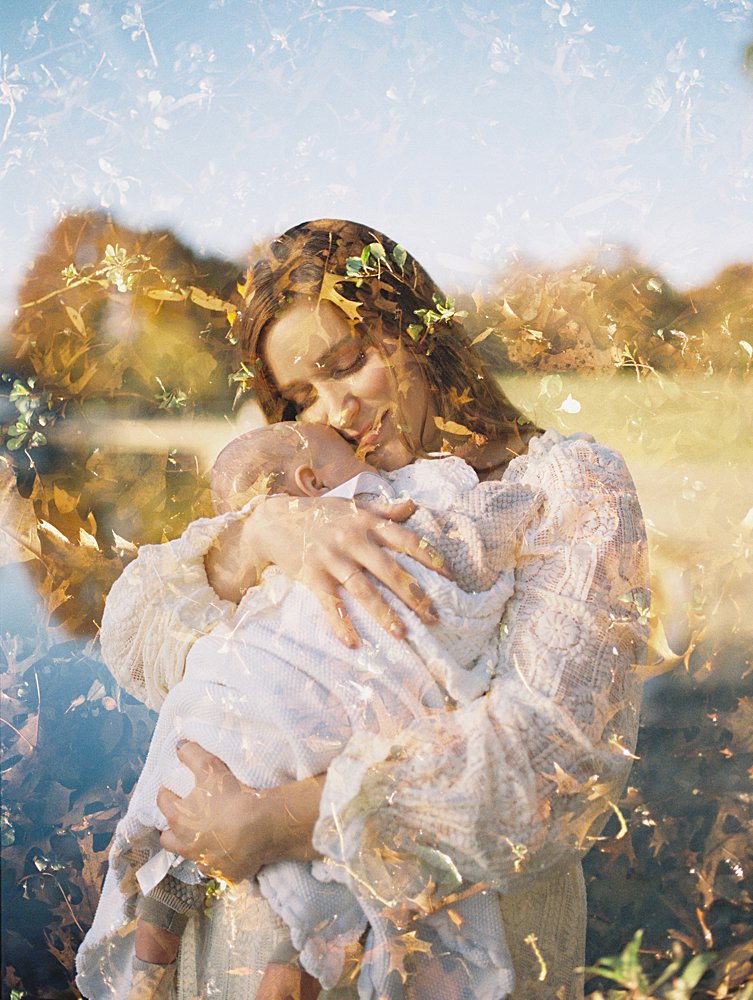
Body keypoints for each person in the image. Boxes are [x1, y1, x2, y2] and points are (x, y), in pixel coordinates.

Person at [96, 219, 649, 999]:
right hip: (228, 949)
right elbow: (136, 640)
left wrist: (267, 823)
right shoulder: (311, 489)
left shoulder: (558, 488)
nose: (336, 411)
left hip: (448, 947)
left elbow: (550, 768)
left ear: (416, 329)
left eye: (347, 364)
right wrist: (262, 534)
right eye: (299, 397)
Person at [78, 419, 536, 1000]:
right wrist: (258, 534)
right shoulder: (364, 505)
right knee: (321, 892)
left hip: (273, 729)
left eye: (343, 363)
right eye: (341, 443)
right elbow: (149, 625)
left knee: (176, 848)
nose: (346, 422)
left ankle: (143, 976)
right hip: (284, 704)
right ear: (312, 481)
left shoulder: (369, 503)